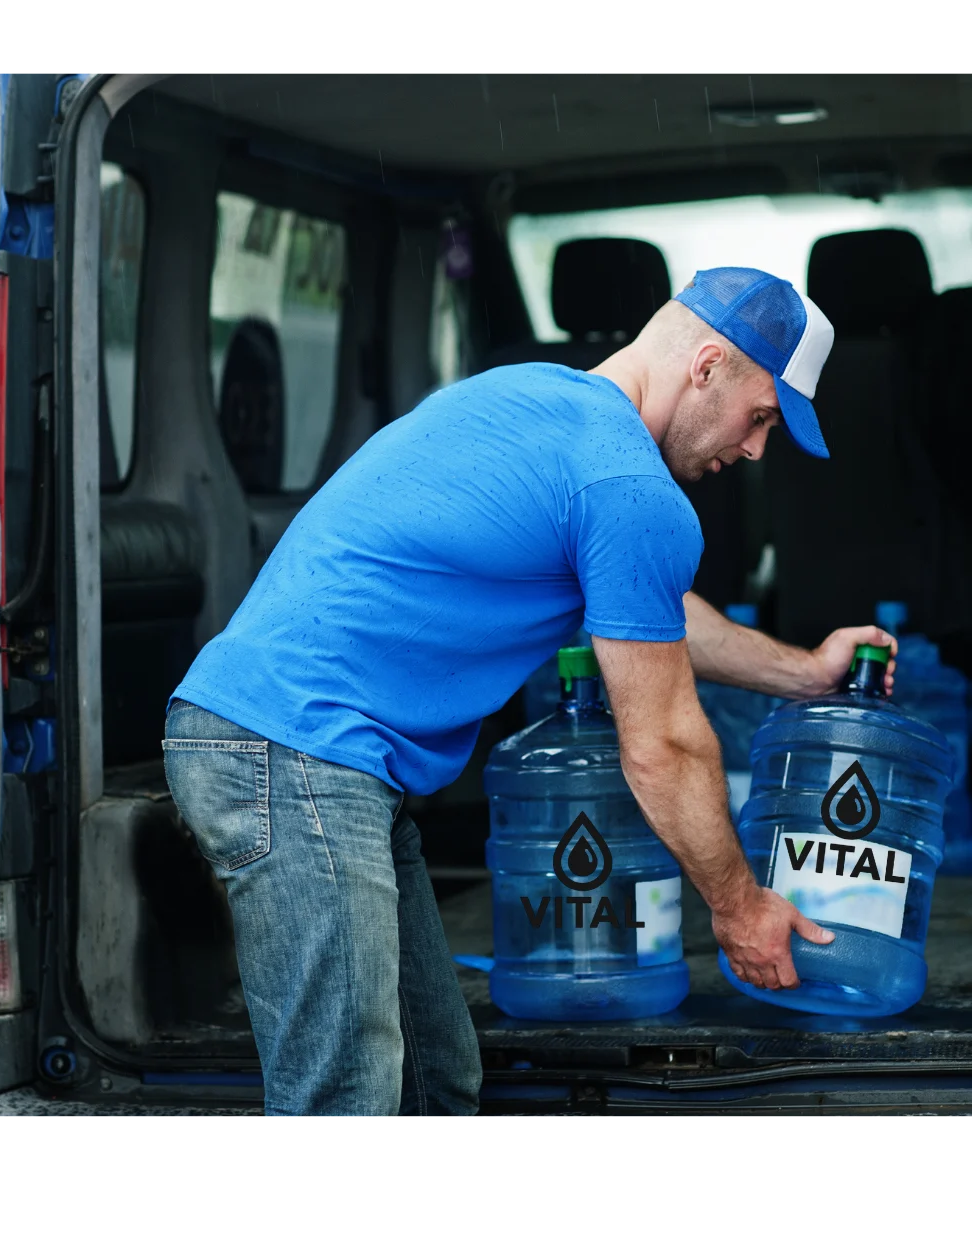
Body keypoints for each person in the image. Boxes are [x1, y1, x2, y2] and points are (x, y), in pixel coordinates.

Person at [162, 267, 897, 1118]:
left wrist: (803, 671)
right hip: (295, 753)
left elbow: (646, 607)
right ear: (707, 365)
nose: (757, 449)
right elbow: (663, 744)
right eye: (762, 416)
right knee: (347, 1098)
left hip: (302, 751)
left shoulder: (538, 400)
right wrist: (738, 908)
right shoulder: (626, 484)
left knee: (437, 1083)